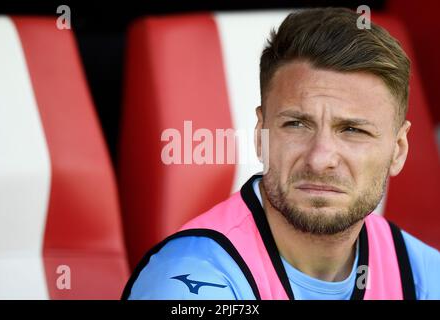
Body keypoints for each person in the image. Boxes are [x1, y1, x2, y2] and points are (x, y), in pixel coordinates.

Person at [123, 7, 440, 300]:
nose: (320, 158)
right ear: (261, 134)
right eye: (297, 124)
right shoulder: (190, 280)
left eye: (353, 130)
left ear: (398, 150)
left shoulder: (424, 275)